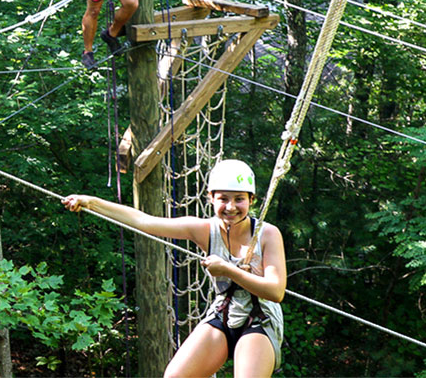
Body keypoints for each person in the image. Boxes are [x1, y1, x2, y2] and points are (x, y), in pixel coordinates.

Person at [62, 159, 285, 377]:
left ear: (251, 199)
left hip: (260, 319)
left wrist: (227, 270)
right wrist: (90, 202)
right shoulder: (204, 229)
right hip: (224, 313)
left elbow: (275, 292)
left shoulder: (267, 234)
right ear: (211, 199)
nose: (230, 207)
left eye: (239, 199)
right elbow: (144, 222)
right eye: (223, 199)